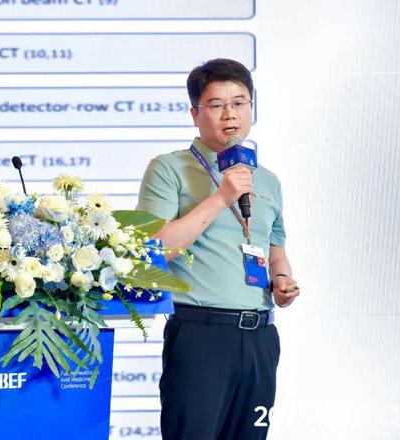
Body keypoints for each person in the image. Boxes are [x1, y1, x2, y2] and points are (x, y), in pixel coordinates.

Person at [136, 58, 300, 439]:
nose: (230, 114)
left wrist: (282, 280)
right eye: (216, 105)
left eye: (240, 103)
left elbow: (275, 250)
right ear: (195, 114)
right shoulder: (168, 169)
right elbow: (154, 250)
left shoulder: (268, 181)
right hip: (201, 334)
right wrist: (222, 197)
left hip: (260, 338)